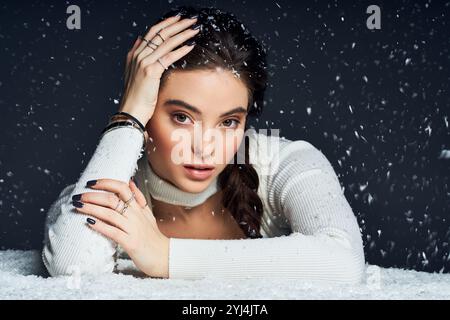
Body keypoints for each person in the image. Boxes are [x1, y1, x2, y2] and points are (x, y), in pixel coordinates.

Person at [42, 6, 365, 283]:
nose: (204, 147)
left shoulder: (283, 162)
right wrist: (128, 115)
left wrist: (165, 256)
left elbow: (344, 261)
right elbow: (73, 269)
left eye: (228, 122)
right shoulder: (117, 181)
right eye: (182, 117)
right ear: (148, 110)